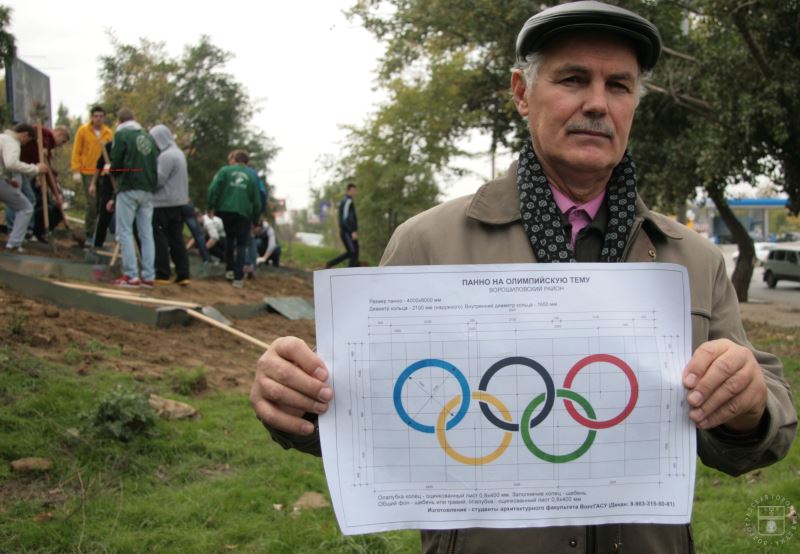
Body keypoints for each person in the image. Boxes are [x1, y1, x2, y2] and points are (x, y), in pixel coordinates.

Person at [250, 3, 796, 553]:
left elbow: (763, 428)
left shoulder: (692, 260)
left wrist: (749, 408)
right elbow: (366, 410)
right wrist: (297, 398)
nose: (597, 103)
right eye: (573, 79)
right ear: (521, 92)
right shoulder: (426, 245)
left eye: (619, 86)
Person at [109, 108, 158, 288]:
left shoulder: (122, 134)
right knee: (146, 233)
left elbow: (116, 162)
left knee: (125, 231)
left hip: (129, 186)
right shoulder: (149, 138)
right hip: (148, 188)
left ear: (119, 121)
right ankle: (148, 276)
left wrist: (112, 171)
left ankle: (131, 275)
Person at [207, 150, 261, 289]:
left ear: (234, 159)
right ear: (247, 162)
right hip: (244, 214)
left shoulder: (225, 171)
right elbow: (256, 200)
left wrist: (211, 206)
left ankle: (229, 270)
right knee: (242, 244)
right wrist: (256, 219)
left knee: (229, 239)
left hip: (225, 211)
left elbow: (213, 188)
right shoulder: (251, 176)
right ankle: (238, 278)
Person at [8, 125, 70, 242]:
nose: (60, 145)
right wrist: (44, 144)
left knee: (30, 198)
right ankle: (13, 229)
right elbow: (35, 129)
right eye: (63, 141)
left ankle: (27, 230)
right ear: (60, 134)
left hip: (25, 169)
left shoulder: (49, 148)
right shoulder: (46, 134)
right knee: (15, 197)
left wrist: (56, 193)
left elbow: (48, 171)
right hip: (17, 165)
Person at [149, 124, 191, 286]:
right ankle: (183, 273)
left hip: (163, 203)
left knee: (159, 236)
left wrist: (146, 182)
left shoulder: (166, 156)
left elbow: (159, 180)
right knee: (176, 239)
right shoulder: (178, 153)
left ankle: (162, 273)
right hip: (178, 202)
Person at [0, 124, 48, 251]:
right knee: (26, 208)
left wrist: (9, 180)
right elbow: (11, 164)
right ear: (25, 135)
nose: (26, 144)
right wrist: (36, 169)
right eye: (28, 140)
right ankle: (14, 244)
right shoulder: (12, 142)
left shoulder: (2, 138)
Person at [71, 106, 113, 241]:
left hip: (103, 172)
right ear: (92, 117)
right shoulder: (83, 131)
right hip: (88, 171)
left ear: (104, 118)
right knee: (92, 204)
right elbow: (76, 150)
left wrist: (110, 167)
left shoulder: (108, 133)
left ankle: (99, 234)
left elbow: (111, 152)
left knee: (103, 203)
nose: (98, 119)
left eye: (101, 116)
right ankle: (89, 233)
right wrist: (76, 170)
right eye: (96, 116)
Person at [325, 183, 359, 268]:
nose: (355, 192)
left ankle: (330, 264)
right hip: (347, 231)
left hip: (348, 231)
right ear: (348, 191)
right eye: (353, 190)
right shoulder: (347, 201)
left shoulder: (348, 201)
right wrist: (352, 231)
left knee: (352, 252)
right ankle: (350, 272)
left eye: (355, 190)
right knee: (353, 252)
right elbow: (345, 218)